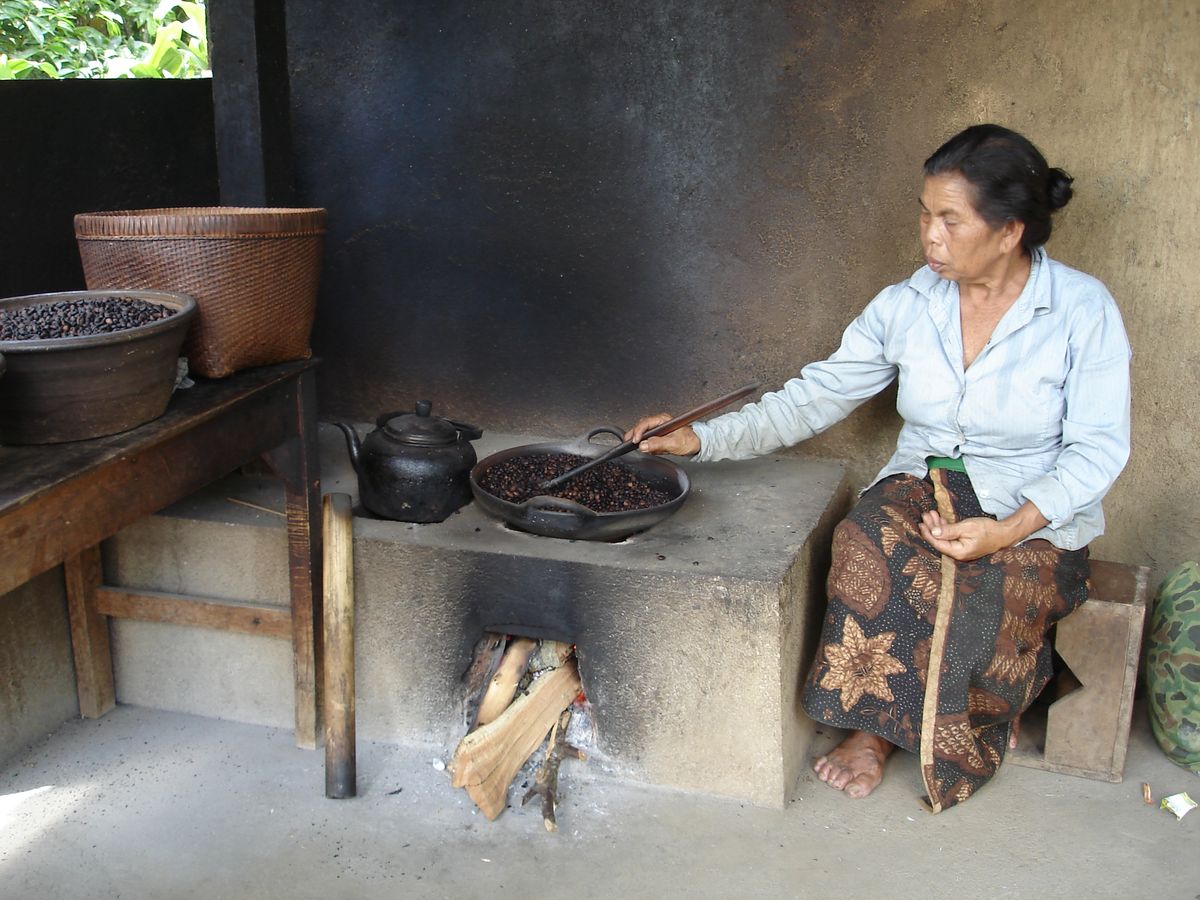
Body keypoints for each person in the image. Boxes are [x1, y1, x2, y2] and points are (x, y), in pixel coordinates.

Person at [625, 124, 1132, 812]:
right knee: (871, 542)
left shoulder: (1080, 310)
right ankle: (873, 732)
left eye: (950, 219)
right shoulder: (908, 304)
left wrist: (1008, 528)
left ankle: (992, 699)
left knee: (986, 583)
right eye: (925, 213)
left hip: (1034, 507)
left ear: (1010, 231)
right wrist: (700, 439)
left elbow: (1098, 448)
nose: (930, 235)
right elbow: (812, 397)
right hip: (923, 485)